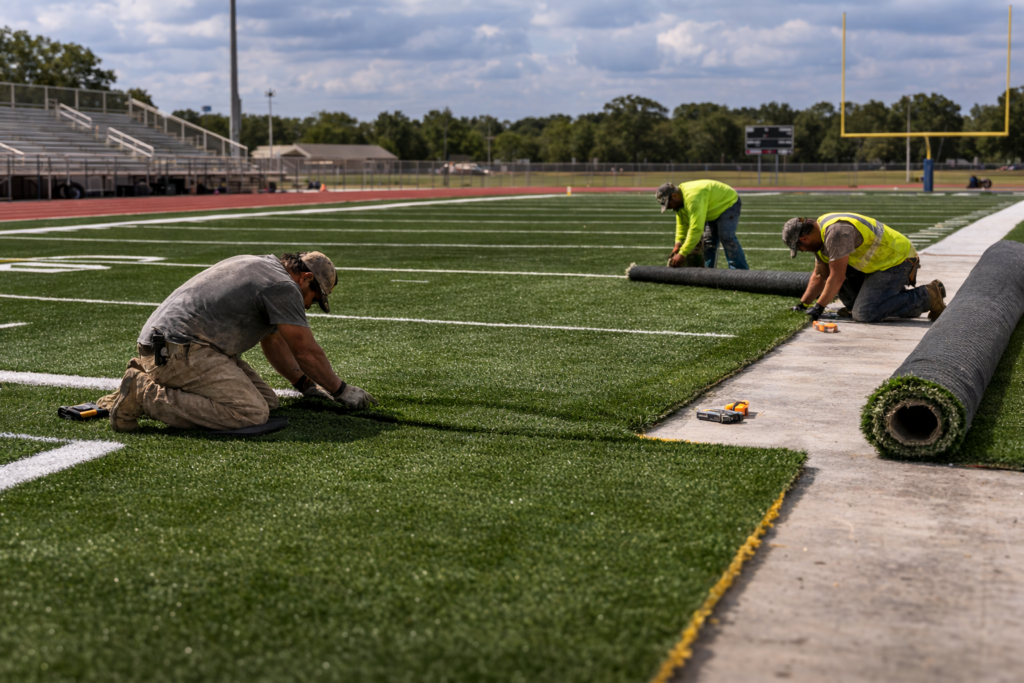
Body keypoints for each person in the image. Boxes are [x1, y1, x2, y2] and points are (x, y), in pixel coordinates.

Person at [98, 251, 377, 432]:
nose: (308, 307)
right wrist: (340, 390)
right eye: (314, 300)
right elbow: (305, 350)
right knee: (249, 413)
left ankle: (148, 371)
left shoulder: (261, 266)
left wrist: (305, 384)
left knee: (269, 403)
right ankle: (143, 393)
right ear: (305, 279)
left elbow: (275, 343)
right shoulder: (283, 287)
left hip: (171, 346)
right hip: (180, 349)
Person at [782, 213, 946, 323]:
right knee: (857, 308)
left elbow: (837, 277)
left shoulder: (836, 232)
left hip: (897, 260)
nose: (802, 251)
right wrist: (803, 305)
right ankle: (902, 301)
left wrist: (818, 308)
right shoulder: (819, 237)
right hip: (877, 265)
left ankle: (928, 295)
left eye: (799, 248)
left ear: (804, 238)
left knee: (865, 313)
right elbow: (820, 275)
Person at [655, 180, 749, 270]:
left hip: (727, 202)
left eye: (668, 205)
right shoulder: (679, 202)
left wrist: (682, 254)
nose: (668, 208)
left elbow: (696, 229)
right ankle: (708, 273)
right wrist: (678, 243)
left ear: (674, 196)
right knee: (708, 242)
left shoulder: (692, 198)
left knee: (726, 237)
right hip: (711, 207)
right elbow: (682, 224)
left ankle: (740, 271)